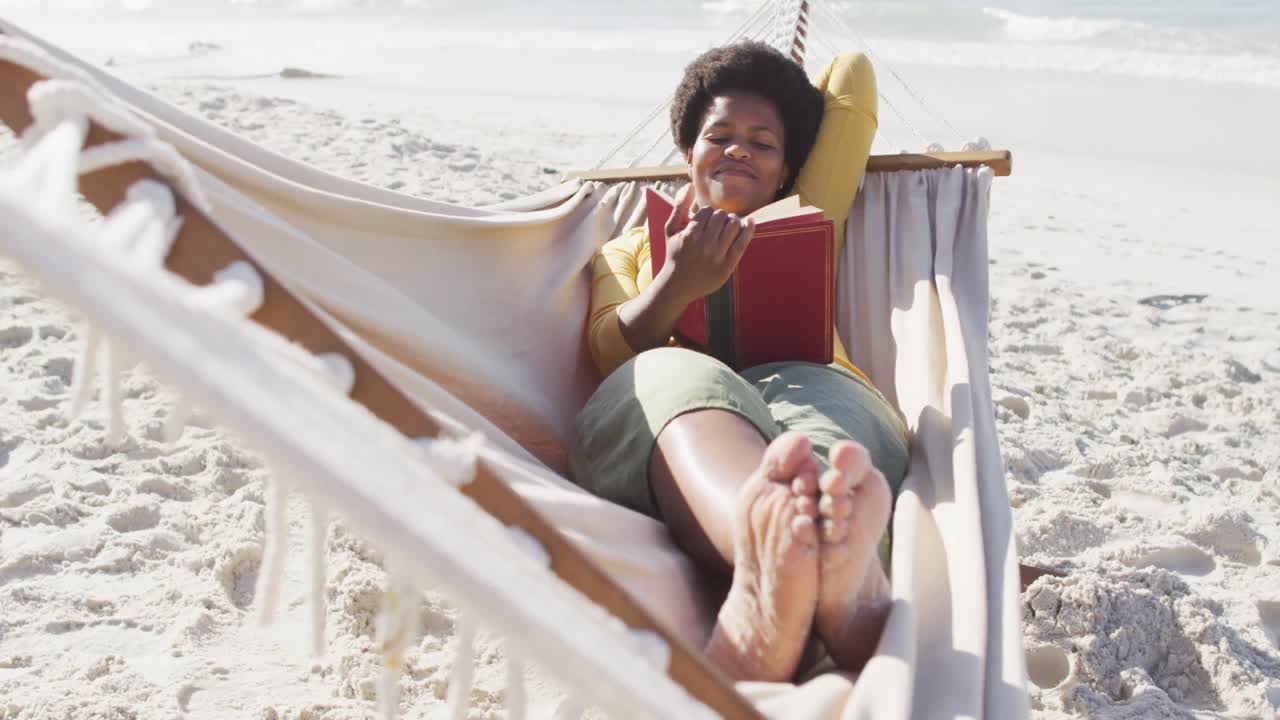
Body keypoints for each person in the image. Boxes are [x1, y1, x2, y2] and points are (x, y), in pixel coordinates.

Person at [570, 41, 910, 683]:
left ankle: (830, 571)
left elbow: (854, 78)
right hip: (677, 403)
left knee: (826, 437)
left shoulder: (807, 215)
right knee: (667, 376)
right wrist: (675, 279)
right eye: (719, 134)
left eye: (764, 142)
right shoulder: (632, 247)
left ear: (787, 169)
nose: (739, 150)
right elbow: (606, 347)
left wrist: (772, 83)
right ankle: (784, 556)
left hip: (807, 377)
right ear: (687, 152)